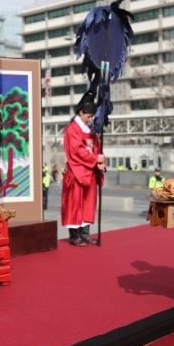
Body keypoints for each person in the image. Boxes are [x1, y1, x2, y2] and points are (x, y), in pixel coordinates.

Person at [61, 91, 105, 246]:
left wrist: (100, 161)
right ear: (81, 113)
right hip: (76, 172)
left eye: (92, 116)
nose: (91, 119)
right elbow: (76, 151)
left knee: (87, 204)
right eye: (89, 116)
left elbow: (97, 149)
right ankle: (74, 236)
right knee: (75, 204)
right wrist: (95, 159)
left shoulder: (91, 131)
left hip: (90, 172)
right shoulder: (72, 130)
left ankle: (85, 234)